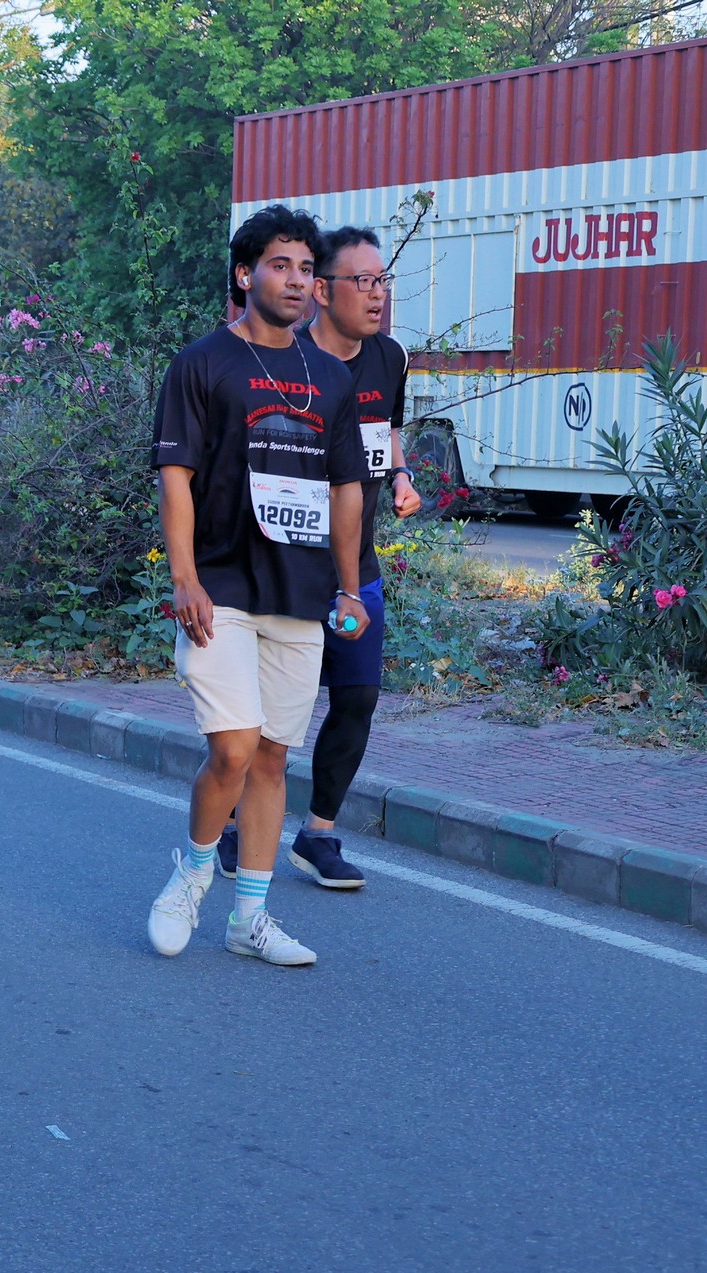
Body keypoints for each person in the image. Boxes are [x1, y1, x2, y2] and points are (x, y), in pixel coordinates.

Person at [146, 204, 367, 969]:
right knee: (234, 749)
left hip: (300, 593)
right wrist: (184, 578)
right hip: (220, 587)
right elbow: (175, 477)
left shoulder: (331, 376)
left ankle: (249, 919)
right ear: (245, 275)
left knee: (272, 757)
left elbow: (346, 489)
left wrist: (349, 588)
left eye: (307, 268)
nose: (298, 281)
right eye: (281, 265)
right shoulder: (203, 363)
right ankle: (193, 871)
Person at [216, 226, 425, 893]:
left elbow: (387, 431)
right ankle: (232, 820)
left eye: (382, 281)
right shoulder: (286, 358)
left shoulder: (390, 357)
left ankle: (318, 833)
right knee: (264, 717)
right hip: (285, 572)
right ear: (324, 293)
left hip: (356, 571)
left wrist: (400, 474)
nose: (378, 294)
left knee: (357, 698)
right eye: (363, 282)